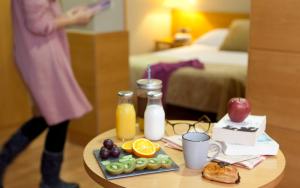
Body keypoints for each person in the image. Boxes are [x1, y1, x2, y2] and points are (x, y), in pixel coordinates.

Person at [0, 0, 93, 188]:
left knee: (49, 115)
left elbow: (41, 15)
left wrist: (69, 15)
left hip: (41, 51)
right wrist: (72, 20)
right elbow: (37, 24)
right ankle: (49, 180)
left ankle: (10, 161)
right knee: (59, 115)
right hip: (42, 54)